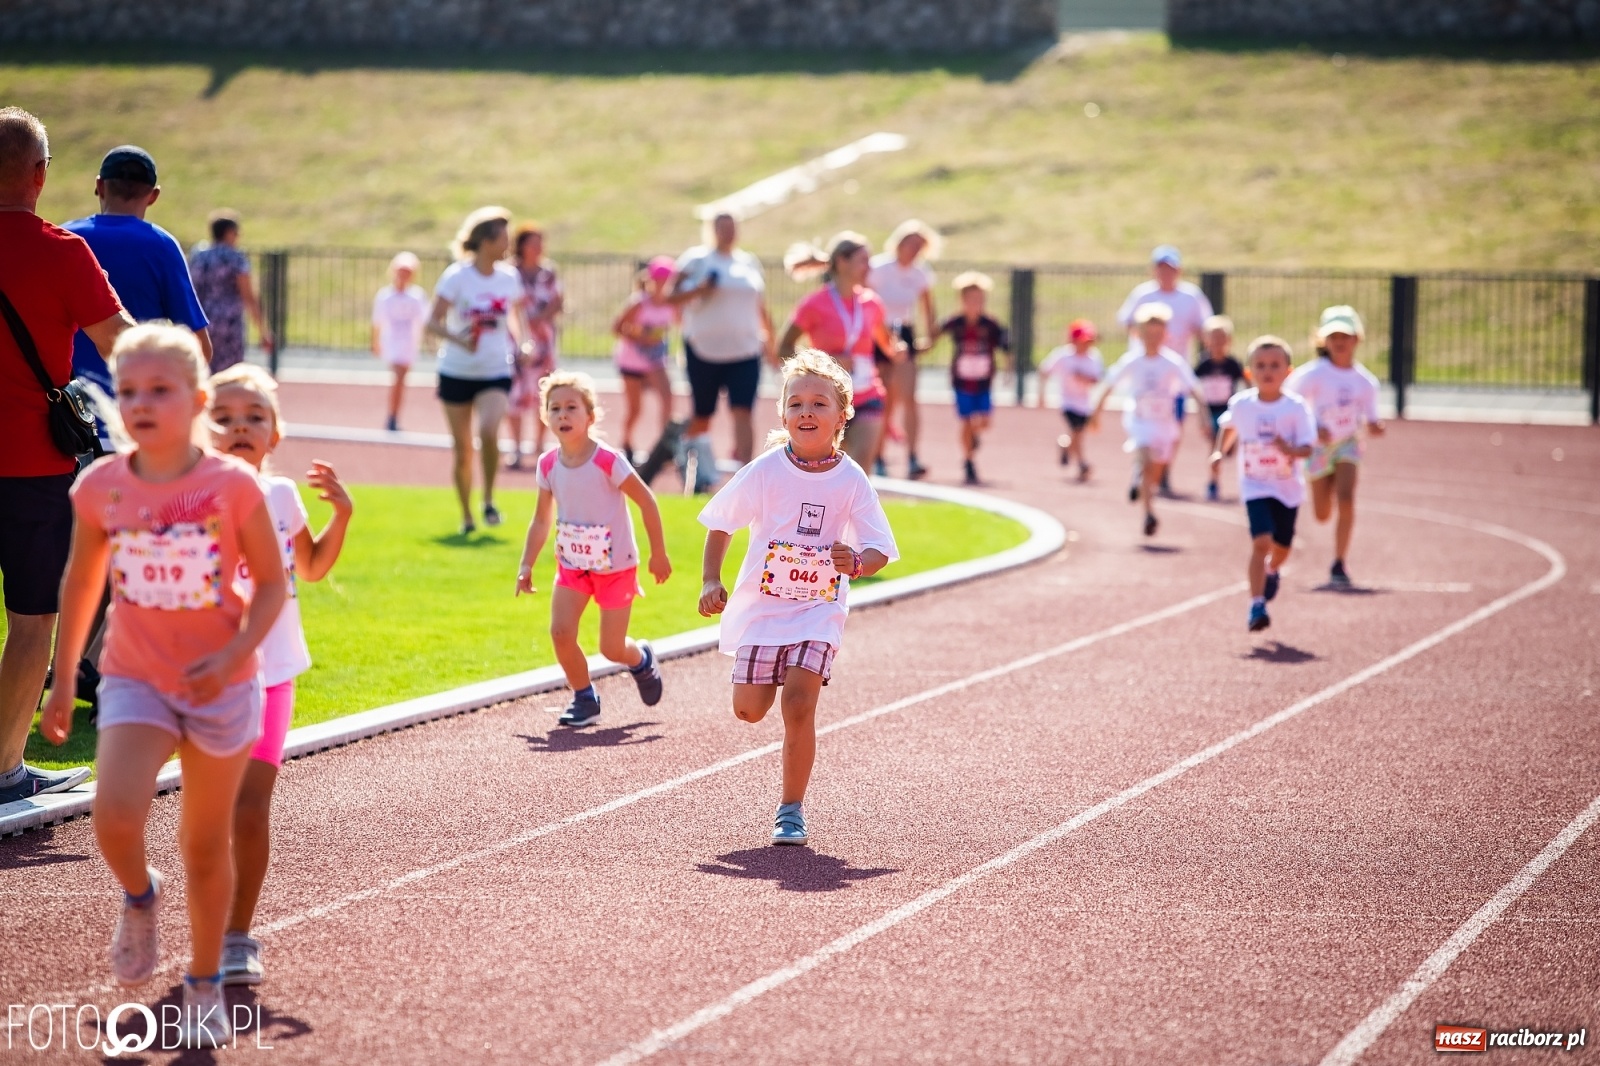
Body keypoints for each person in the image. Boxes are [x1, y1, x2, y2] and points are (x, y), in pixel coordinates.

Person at [39, 323, 286, 1049]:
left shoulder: (232, 485)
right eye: (130, 391)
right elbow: (82, 581)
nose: (141, 404)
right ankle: (140, 895)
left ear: (198, 400)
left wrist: (235, 651)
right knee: (113, 814)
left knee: (204, 845)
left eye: (160, 390)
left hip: (222, 683)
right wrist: (61, 681)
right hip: (136, 675)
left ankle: (206, 979)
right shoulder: (101, 486)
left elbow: (271, 585)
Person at [697, 350, 897, 846]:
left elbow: (879, 549)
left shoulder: (851, 479)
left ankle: (791, 810)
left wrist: (858, 562)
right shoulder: (766, 470)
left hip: (818, 608)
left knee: (800, 704)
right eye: (796, 403)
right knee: (748, 710)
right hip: (765, 607)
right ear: (783, 414)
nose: (806, 412)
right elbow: (722, 521)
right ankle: (777, 666)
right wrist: (709, 579)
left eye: (819, 403)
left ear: (842, 414)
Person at [0, 107, 134, 805]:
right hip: (30, 470)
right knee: (32, 623)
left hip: (29, 469)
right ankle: (3, 770)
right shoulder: (62, 252)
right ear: (42, 176)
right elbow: (126, 347)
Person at [206, 364, 353, 987]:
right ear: (203, 431)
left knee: (250, 805)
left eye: (254, 418)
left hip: (273, 677)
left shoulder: (283, 495)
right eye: (226, 418)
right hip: (208, 677)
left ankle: (238, 934)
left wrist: (341, 515)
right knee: (209, 813)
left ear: (275, 434)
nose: (240, 428)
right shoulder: (189, 496)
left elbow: (313, 568)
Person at [516, 372, 669, 727]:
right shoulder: (548, 464)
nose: (563, 415)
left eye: (572, 407)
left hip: (615, 567)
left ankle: (640, 659)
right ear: (545, 417)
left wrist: (658, 553)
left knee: (611, 648)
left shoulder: (607, 460)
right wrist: (526, 564)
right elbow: (541, 520)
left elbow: (647, 501)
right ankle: (584, 697)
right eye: (555, 409)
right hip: (573, 564)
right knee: (560, 632)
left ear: (590, 416)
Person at [65, 145, 212, 399]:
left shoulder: (65, 239)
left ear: (99, 186)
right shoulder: (161, 245)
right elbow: (199, 346)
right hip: (135, 410)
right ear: (154, 195)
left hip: (65, 412)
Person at [425, 206, 530, 535]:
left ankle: (488, 498)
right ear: (486, 241)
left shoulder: (508, 277)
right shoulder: (457, 276)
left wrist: (522, 342)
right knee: (462, 450)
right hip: (456, 371)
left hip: (496, 369)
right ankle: (467, 515)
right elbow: (431, 322)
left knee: (487, 431)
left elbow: (516, 316)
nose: (508, 243)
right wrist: (459, 339)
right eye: (503, 237)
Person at [1212, 337, 1316, 632]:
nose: (1267, 371)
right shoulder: (1242, 404)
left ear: (1288, 372)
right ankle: (1256, 604)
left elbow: (1308, 449)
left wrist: (1289, 449)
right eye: (1260, 365)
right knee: (1261, 541)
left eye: (1274, 365)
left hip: (1287, 489)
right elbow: (1228, 426)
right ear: (1249, 373)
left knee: (1282, 548)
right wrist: (1220, 451)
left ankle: (1273, 570)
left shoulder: (1295, 408)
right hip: (1255, 485)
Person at [778, 231, 906, 469]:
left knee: (861, 466)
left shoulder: (871, 303)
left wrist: (898, 350)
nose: (869, 268)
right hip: (826, 400)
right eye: (863, 261)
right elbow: (783, 347)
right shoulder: (814, 304)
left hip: (868, 394)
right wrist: (827, 362)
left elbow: (887, 344)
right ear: (842, 262)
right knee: (828, 468)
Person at [670, 213, 775, 492]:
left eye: (732, 227)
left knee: (743, 411)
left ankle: (746, 477)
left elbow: (761, 306)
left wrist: (771, 344)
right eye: (722, 227)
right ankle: (696, 470)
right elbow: (670, 296)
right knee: (702, 414)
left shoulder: (749, 262)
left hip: (745, 350)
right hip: (704, 349)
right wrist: (700, 289)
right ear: (712, 230)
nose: (728, 232)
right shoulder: (696, 260)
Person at [1285, 305, 1385, 589]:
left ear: (1356, 339)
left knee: (1347, 497)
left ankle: (1339, 561)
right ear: (1323, 341)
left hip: (1348, 445)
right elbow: (1290, 402)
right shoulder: (1313, 374)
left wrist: (1376, 427)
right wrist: (1312, 428)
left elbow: (1373, 419)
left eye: (1345, 336)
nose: (1340, 342)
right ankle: (1323, 496)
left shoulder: (1365, 382)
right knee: (1321, 513)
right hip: (1317, 448)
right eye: (1333, 336)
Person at [1089, 303, 1210, 538]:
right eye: (1148, 334)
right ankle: (1149, 513)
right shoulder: (1132, 360)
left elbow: (1194, 388)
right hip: (1140, 421)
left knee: (1155, 470)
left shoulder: (1172, 362)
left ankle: (1138, 478)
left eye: (1158, 334)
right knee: (1146, 459)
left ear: (1166, 335)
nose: (1153, 339)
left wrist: (1203, 416)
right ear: (1138, 334)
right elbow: (1109, 385)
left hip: (1164, 423)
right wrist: (1096, 413)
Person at [1117, 246, 1215, 495]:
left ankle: (1162, 469)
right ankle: (1140, 470)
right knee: (1141, 424)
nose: (1166, 273)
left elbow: (1205, 327)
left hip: (1173, 376)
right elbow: (1126, 322)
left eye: (1170, 268)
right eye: (1161, 268)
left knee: (1172, 426)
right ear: (1154, 270)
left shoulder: (1191, 296)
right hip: (1145, 374)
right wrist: (1147, 345)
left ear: (1179, 270)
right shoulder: (1143, 294)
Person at [868, 220, 940, 479]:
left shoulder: (920, 273)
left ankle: (912, 456)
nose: (914, 250)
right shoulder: (879, 268)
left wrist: (930, 334)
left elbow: (928, 304)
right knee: (883, 399)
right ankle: (878, 456)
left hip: (904, 331)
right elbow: (865, 299)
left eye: (919, 246)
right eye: (910, 244)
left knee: (909, 397)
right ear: (899, 243)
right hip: (878, 331)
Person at [936, 271, 1011, 486]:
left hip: (983, 381)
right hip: (961, 381)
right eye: (970, 299)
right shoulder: (956, 322)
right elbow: (936, 334)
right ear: (962, 300)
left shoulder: (991, 325)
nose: (974, 304)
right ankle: (968, 460)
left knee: (985, 421)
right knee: (966, 421)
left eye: (979, 299)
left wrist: (1008, 370)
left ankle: (973, 437)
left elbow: (1006, 348)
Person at [504, 222, 564, 470]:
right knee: (516, 394)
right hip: (516, 342)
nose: (538, 248)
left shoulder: (548, 272)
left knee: (545, 393)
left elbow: (558, 301)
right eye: (533, 242)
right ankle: (516, 446)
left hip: (543, 342)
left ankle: (539, 445)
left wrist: (540, 317)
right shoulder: (509, 273)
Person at [188, 210, 272, 374]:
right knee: (230, 373)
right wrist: (264, 331)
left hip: (200, 320)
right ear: (228, 233)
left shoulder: (198, 255)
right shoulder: (235, 257)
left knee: (202, 369)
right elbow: (248, 296)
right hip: (229, 323)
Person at [613, 256, 678, 462]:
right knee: (635, 409)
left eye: (666, 280)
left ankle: (664, 447)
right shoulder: (639, 302)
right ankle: (626, 441)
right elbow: (617, 328)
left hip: (655, 362)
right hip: (632, 362)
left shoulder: (672, 304)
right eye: (659, 279)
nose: (662, 285)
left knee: (668, 398)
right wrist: (642, 336)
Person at [1035, 318, 1104, 482]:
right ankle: (1082, 464)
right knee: (1077, 431)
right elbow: (1044, 371)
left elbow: (1096, 379)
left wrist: (1084, 378)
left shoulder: (1094, 357)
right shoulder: (1063, 356)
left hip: (1085, 404)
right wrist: (1041, 395)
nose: (1086, 345)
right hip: (1068, 403)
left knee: (1078, 434)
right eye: (1082, 341)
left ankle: (1065, 446)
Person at [370, 251, 429, 432]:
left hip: (409, 343)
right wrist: (375, 342)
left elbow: (426, 320)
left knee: (402, 379)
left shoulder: (417, 296)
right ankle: (392, 417)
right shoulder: (385, 296)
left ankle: (394, 415)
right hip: (392, 343)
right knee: (399, 377)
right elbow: (377, 322)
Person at [1194, 314, 1248, 501]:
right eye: (1213, 338)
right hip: (1210, 411)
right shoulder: (1203, 364)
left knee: (1227, 446)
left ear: (1229, 341)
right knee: (1214, 446)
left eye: (1221, 338)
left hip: (1228, 410)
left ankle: (1229, 446)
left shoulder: (1233, 364)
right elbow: (1194, 389)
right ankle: (1213, 482)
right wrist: (1201, 417)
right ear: (1206, 340)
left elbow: (1247, 383)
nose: (1217, 343)